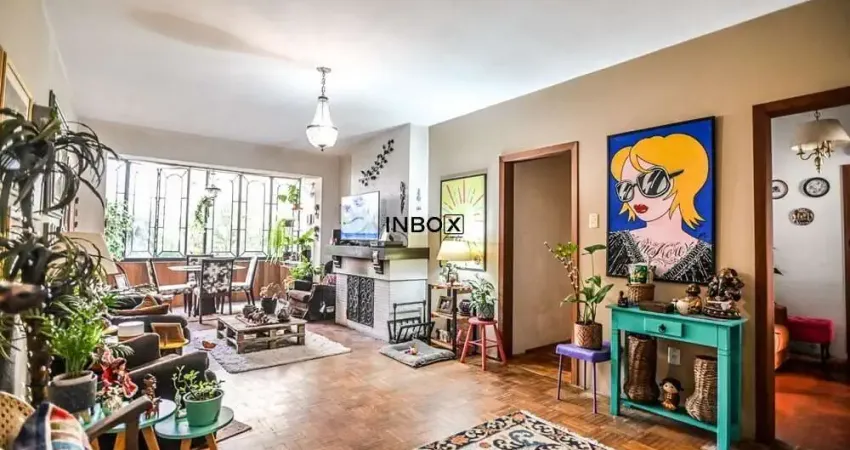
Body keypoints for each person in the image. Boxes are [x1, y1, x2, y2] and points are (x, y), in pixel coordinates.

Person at [608, 133, 713, 284]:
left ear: (686, 179)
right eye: (627, 188)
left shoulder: (706, 256)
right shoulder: (614, 243)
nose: (636, 196)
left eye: (652, 182)